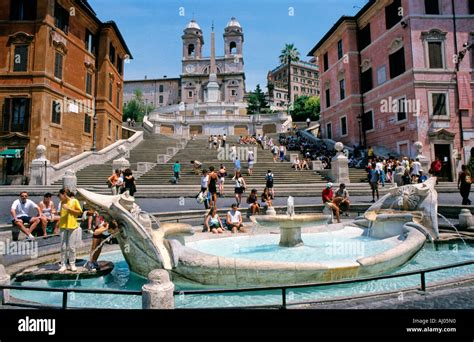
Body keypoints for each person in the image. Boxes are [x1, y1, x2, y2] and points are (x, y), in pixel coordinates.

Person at [57, 188, 83, 272]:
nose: (59, 197)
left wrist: (69, 209)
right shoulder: (62, 203)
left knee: (72, 247)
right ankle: (63, 264)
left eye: (60, 195)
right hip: (63, 226)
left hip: (72, 226)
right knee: (63, 247)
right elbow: (61, 215)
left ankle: (72, 264)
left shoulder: (74, 201)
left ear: (64, 194)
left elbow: (79, 212)